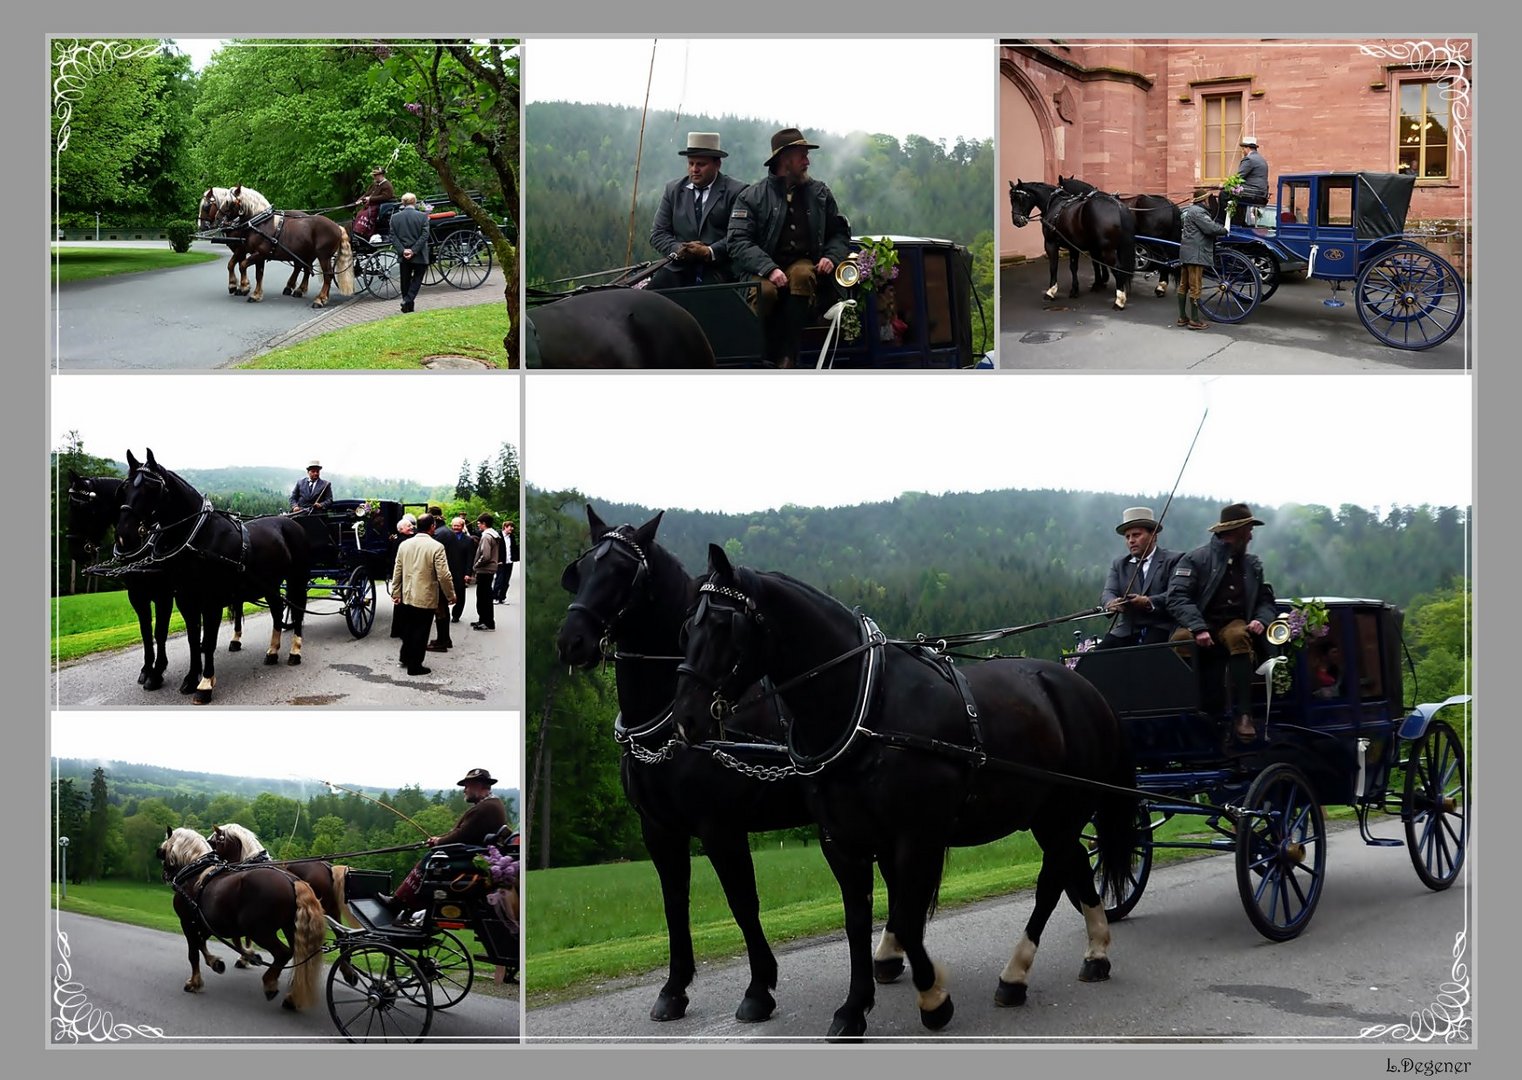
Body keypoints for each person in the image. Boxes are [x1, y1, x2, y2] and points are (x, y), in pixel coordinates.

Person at [727, 127, 852, 368]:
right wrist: (769, 268)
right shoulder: (751, 197)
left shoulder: (820, 193)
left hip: (803, 263)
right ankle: (759, 357)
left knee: (803, 274)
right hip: (761, 269)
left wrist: (831, 257)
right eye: (802, 155)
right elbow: (738, 241)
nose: (807, 161)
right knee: (765, 292)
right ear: (785, 159)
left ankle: (788, 357)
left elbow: (838, 233)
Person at [1166, 503, 1279, 742]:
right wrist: (1198, 627)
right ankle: (1188, 710)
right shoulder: (1195, 559)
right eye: (1248, 530)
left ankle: (1244, 715)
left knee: (1238, 636)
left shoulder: (1251, 565)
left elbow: (1265, 600)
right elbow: (1177, 597)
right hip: (1201, 620)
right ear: (1236, 532)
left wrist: (1261, 619)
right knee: (1180, 640)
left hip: (1234, 623)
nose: (1250, 536)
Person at [377, 768, 510, 918]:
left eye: (467, 786)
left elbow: (461, 836)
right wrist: (438, 839)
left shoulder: (486, 808)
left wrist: (439, 842)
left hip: (471, 857)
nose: (464, 790)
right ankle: (413, 906)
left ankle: (398, 903)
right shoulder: (491, 805)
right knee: (436, 854)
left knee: (432, 859)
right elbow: (465, 833)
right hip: (475, 853)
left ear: (479, 785)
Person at [649, 132, 748, 289]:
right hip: (678, 268)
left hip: (720, 271)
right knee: (651, 298)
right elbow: (658, 234)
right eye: (691, 163)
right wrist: (680, 250)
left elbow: (739, 236)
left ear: (717, 164)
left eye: (701, 164)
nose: (694, 169)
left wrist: (709, 251)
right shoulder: (673, 190)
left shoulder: (737, 192)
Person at [1095, 507, 1180, 650]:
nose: (1131, 541)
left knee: (1144, 656)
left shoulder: (1174, 560)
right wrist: (1112, 602)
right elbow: (1108, 592)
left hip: (1162, 627)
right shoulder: (1119, 564)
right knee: (1097, 656)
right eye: (1127, 537)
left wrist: (1148, 602)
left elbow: (1177, 595)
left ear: (1153, 536)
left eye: (1136, 535)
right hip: (1126, 630)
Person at [389, 512, 454, 675]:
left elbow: (397, 570)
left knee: (409, 628)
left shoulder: (404, 545)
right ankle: (415, 665)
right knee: (421, 630)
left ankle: (405, 657)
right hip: (425, 595)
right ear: (432, 527)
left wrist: (396, 592)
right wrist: (450, 594)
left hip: (407, 594)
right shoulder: (436, 547)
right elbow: (444, 575)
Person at [1178, 199, 1229, 330]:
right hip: (1196, 254)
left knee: (1184, 285)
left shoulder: (1191, 210)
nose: (1209, 202)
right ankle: (1194, 320)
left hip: (1186, 253)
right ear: (1204, 200)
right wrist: (1224, 230)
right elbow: (1210, 228)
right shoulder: (1199, 212)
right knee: (1195, 286)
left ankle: (1182, 317)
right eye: (1208, 200)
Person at [390, 192, 430, 314]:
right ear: (415, 202)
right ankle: (407, 300)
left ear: (403, 203)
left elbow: (393, 237)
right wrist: (414, 250)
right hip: (419, 255)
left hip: (404, 255)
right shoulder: (423, 217)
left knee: (405, 281)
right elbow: (424, 236)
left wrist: (403, 250)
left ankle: (407, 306)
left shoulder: (394, 218)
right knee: (417, 279)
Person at [423, 511, 455, 653]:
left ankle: (442, 641)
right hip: (446, 574)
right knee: (443, 611)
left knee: (440, 611)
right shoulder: (447, 531)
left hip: (438, 579)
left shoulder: (438, 536)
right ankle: (445, 639)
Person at [471, 512, 500, 630]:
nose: (478, 526)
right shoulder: (494, 535)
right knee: (486, 596)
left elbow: (486, 555)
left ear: (484, 524)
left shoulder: (486, 536)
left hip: (484, 569)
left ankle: (486, 621)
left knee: (483, 597)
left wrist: (476, 565)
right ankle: (484, 619)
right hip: (491, 569)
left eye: (479, 524)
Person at [1234, 136, 1270, 223]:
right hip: (1261, 194)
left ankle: (1226, 221)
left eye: (1243, 149)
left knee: (1224, 195)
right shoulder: (1262, 160)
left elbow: (1238, 177)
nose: (1242, 151)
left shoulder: (1249, 159)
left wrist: (1226, 185)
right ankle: (1241, 221)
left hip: (1252, 193)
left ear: (1247, 148)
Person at [353, 166, 395, 238]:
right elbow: (367, 193)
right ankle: (357, 230)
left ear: (381, 175)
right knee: (359, 213)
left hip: (380, 206)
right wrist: (360, 200)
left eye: (376, 175)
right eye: (374, 175)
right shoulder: (374, 184)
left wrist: (370, 198)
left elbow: (385, 197)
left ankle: (364, 232)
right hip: (371, 205)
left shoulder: (387, 185)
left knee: (365, 214)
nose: (374, 177)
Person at [492, 520, 518, 604]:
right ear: (505, 527)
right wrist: (497, 560)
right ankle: (495, 597)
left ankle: (502, 597)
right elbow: (495, 549)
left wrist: (515, 557)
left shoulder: (512, 537)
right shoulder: (498, 537)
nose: (512, 529)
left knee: (506, 581)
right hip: (501, 562)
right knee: (499, 580)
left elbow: (514, 548)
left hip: (509, 561)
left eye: (512, 527)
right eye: (510, 527)